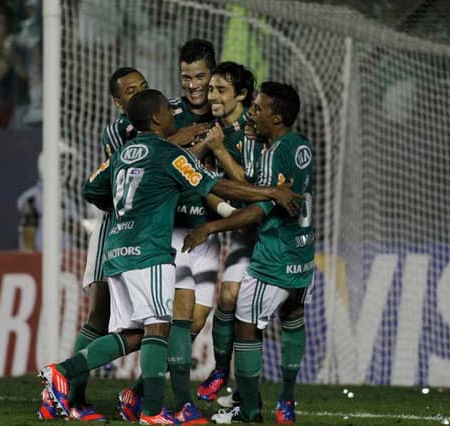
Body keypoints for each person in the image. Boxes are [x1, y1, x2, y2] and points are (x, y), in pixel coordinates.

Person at [38, 89, 302, 424]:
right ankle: (144, 409)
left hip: (117, 250)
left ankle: (72, 376)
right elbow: (216, 187)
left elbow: (91, 186)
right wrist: (270, 192)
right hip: (149, 251)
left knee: (139, 333)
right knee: (158, 327)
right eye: (167, 110)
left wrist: (123, 209)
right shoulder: (169, 153)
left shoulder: (122, 153)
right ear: (156, 118)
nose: (173, 115)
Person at [183, 82, 314, 424]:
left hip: (274, 257)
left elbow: (259, 211)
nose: (253, 113)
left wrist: (209, 227)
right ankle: (286, 402)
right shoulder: (300, 146)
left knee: (245, 327)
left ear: (278, 115)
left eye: (260, 108)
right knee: (293, 317)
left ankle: (249, 409)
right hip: (303, 254)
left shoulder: (276, 152)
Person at [34, 67, 150, 422]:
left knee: (153, 321)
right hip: (115, 230)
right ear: (117, 102)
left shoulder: (157, 125)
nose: (139, 93)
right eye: (130, 91)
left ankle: (71, 392)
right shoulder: (120, 131)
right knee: (99, 316)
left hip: (144, 233)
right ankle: (70, 396)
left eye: (143, 87)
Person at [117, 39, 222, 424]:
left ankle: (138, 393)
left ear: (212, 74)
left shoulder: (222, 111)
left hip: (208, 232)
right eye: (186, 77)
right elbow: (139, 150)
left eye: (200, 77)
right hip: (172, 230)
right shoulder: (166, 112)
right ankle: (177, 406)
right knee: (176, 320)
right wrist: (180, 141)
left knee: (195, 323)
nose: (193, 85)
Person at [191, 61, 263, 404]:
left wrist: (218, 149)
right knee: (230, 298)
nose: (213, 96)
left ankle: (253, 397)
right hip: (241, 230)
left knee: (256, 310)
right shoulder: (212, 129)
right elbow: (192, 174)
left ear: (243, 95)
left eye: (221, 90)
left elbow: (250, 187)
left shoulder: (256, 131)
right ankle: (222, 369)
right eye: (212, 90)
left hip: (270, 232)